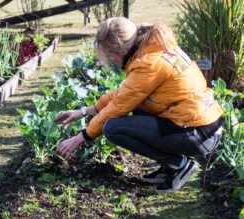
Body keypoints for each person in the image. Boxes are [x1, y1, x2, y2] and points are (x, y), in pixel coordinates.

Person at [56, 17, 224, 193]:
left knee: (112, 128)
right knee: (137, 107)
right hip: (201, 126)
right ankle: (170, 166)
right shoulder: (153, 48)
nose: (112, 61)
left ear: (121, 51)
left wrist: (81, 137)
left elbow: (119, 106)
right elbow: (124, 94)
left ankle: (179, 164)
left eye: (110, 57)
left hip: (198, 134)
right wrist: (84, 111)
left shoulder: (149, 63)